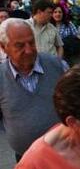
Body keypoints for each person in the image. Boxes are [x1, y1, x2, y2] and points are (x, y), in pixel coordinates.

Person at [0, 18, 65, 161]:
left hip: (63, 151)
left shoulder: (55, 65)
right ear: (4, 47)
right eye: (20, 46)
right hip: (27, 157)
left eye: (31, 42)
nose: (29, 50)